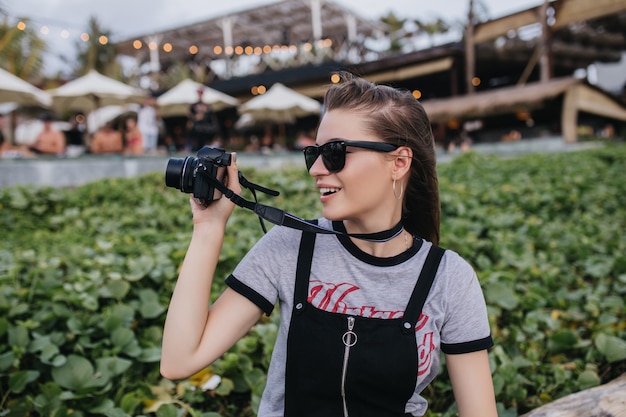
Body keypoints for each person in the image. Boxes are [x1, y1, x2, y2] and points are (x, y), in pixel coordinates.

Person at [160, 73, 497, 417]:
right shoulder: (292, 245)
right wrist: (209, 227)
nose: (316, 169)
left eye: (335, 153)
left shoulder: (449, 278)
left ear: (399, 163)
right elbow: (179, 361)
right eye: (314, 153)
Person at [187, 87, 221, 152]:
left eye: (201, 93)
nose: (200, 94)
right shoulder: (193, 105)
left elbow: (212, 117)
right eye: (199, 93)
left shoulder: (207, 105)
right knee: (197, 146)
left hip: (206, 130)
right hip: (197, 130)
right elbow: (189, 116)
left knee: (206, 147)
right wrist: (195, 118)